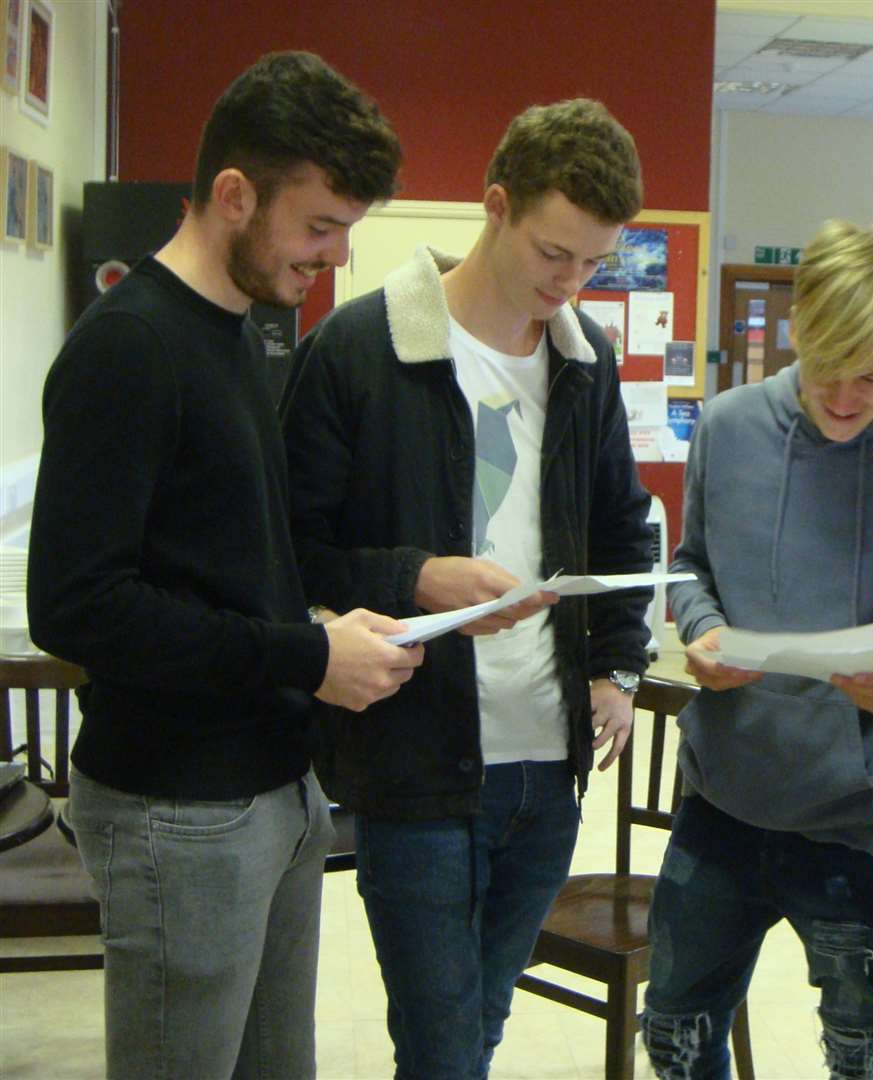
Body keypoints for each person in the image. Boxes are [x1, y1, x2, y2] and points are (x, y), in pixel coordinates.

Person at [26, 51, 414, 1078]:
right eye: (318, 225)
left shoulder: (241, 335)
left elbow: (240, 564)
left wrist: (358, 615)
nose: (329, 258)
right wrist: (302, 656)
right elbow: (78, 605)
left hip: (274, 794)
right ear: (236, 195)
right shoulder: (129, 348)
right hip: (177, 813)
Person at [278, 98, 654, 1079]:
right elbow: (290, 552)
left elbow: (620, 523)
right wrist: (417, 576)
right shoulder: (357, 351)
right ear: (495, 207)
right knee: (445, 1048)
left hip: (548, 761)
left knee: (474, 1030)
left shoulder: (584, 362)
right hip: (417, 763)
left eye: (593, 263)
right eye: (553, 254)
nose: (571, 284)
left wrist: (615, 662)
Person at [640, 220, 873, 1078]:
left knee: (864, 1052)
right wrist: (699, 627)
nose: (840, 398)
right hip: (722, 797)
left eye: (872, 376)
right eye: (824, 370)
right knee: (675, 1035)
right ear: (797, 334)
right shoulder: (726, 426)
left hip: (865, 822)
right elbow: (690, 569)